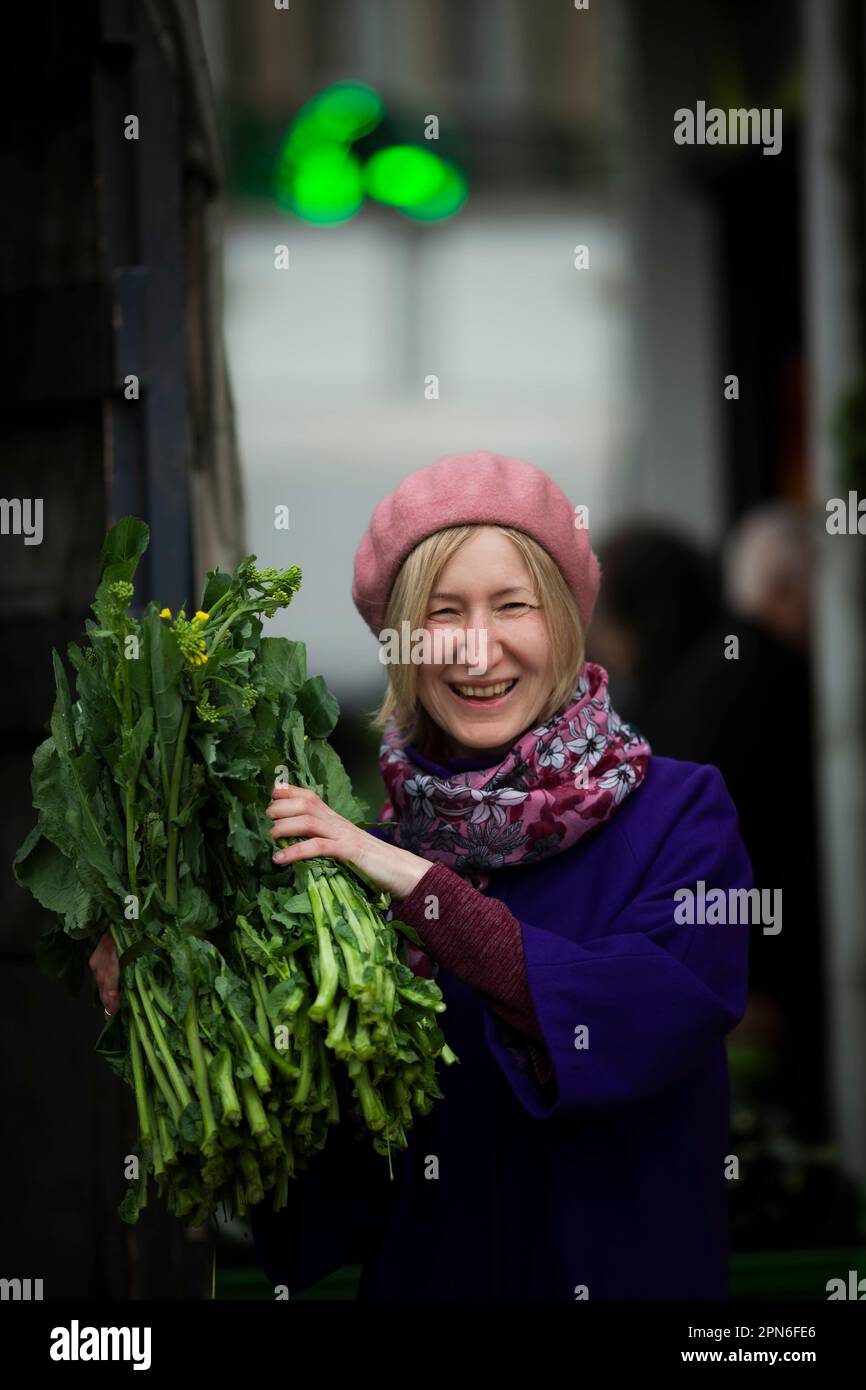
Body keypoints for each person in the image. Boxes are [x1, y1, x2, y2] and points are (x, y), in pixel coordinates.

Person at [90, 451, 752, 1300]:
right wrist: (173, 971)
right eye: (443, 613)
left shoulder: (684, 813)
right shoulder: (347, 863)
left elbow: (651, 1016)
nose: (478, 647)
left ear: (564, 622)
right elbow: (326, 1174)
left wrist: (420, 891)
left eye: (513, 605)